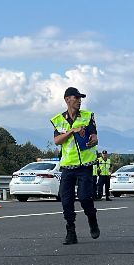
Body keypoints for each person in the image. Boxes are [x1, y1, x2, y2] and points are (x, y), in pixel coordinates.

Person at [51, 86, 99, 244]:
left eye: (80, 98)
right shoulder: (58, 120)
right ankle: (70, 231)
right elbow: (57, 140)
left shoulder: (87, 116)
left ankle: (92, 219)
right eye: (76, 98)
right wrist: (72, 131)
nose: (79, 101)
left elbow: (94, 136)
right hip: (67, 166)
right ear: (67, 100)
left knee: (85, 198)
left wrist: (93, 140)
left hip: (85, 165)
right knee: (66, 200)